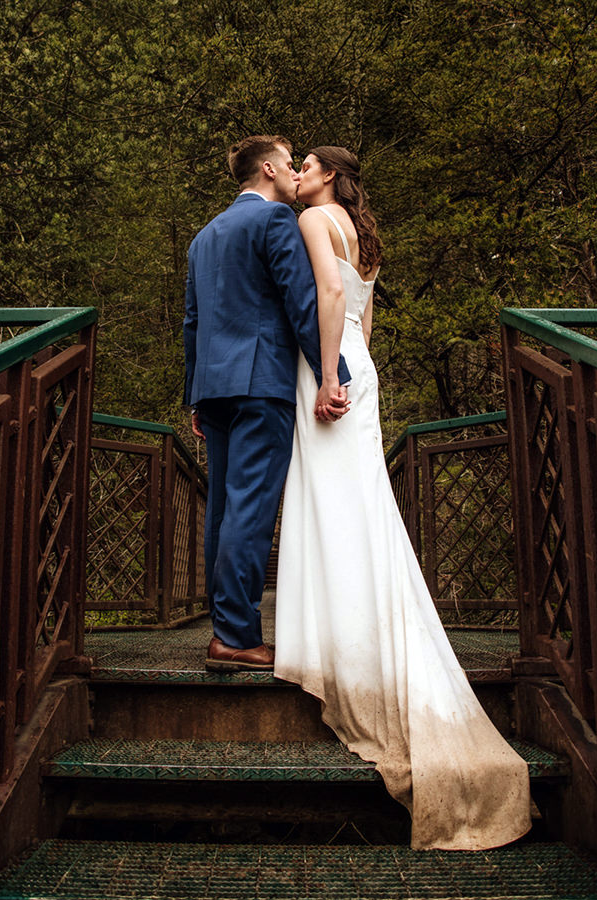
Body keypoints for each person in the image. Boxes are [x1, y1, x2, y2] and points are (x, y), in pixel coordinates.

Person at [273, 145, 530, 849]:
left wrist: (328, 373)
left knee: (334, 506)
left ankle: (339, 645)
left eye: (305, 164)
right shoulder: (362, 228)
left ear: (325, 174)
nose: (296, 172)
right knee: (360, 509)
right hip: (363, 361)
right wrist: (358, 365)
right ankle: (354, 631)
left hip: (329, 364)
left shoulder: (315, 221)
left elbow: (327, 296)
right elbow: (364, 309)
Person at [182, 135, 350, 671]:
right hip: (261, 384)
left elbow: (192, 323)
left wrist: (194, 397)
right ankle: (234, 637)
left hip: (213, 387)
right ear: (272, 169)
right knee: (250, 508)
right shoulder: (274, 222)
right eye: (290, 159)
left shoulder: (203, 237)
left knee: (226, 511)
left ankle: (226, 625)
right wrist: (335, 376)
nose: (294, 168)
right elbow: (303, 302)